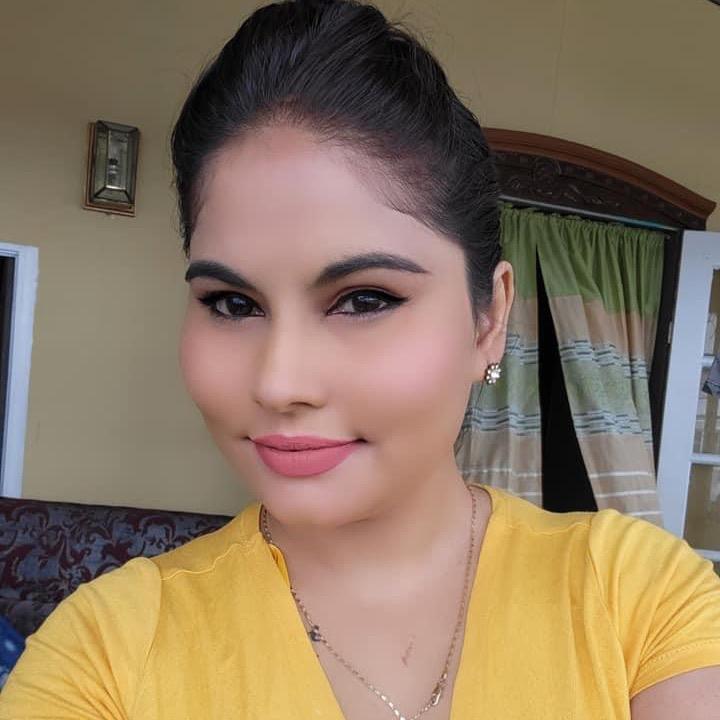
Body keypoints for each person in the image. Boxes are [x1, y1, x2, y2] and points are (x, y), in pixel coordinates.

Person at [2, 1, 719, 717]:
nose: (279, 382)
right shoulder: (105, 652)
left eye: (365, 299)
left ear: (489, 319)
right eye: (232, 303)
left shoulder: (637, 598)